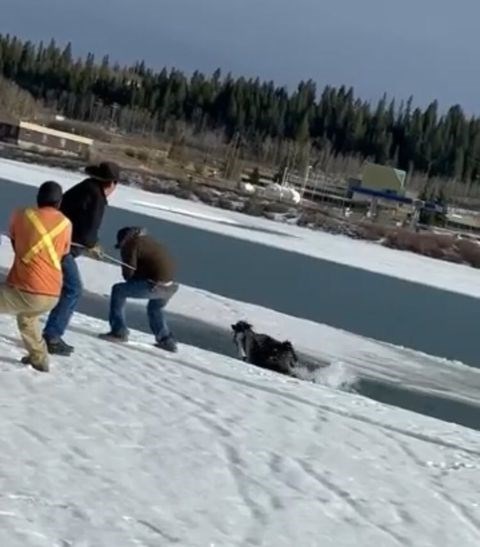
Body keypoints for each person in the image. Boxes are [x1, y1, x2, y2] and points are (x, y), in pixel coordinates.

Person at [43, 161, 120, 356]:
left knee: (55, 287)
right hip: (61, 247)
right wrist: (92, 245)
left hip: (51, 241)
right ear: (112, 183)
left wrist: (90, 243)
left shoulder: (84, 187)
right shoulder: (96, 197)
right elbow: (88, 232)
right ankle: (52, 336)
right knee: (73, 289)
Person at [0, 181, 72, 372]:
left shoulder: (22, 214)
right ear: (59, 202)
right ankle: (39, 360)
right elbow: (63, 253)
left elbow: (16, 243)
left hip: (26, 289)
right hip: (52, 294)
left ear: (38, 198)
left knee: (24, 310)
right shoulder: (66, 224)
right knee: (28, 320)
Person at [99, 226, 178, 352]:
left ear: (123, 240)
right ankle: (166, 340)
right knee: (155, 308)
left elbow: (129, 272)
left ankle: (119, 331)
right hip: (170, 286)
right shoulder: (147, 240)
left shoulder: (131, 245)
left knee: (118, 290)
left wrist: (132, 276)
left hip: (155, 285)